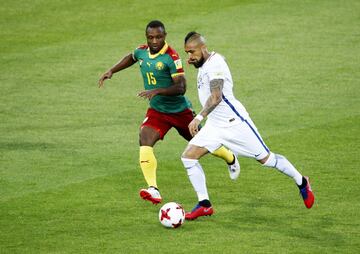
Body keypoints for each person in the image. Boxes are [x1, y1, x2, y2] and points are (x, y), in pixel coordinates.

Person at [98, 21, 240, 205]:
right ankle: (153, 189)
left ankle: (230, 157)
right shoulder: (142, 51)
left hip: (180, 111)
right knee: (145, 138)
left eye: (158, 37)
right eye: (150, 37)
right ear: (146, 37)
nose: (154, 41)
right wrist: (112, 70)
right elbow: (131, 57)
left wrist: (157, 90)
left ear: (165, 36)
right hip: (158, 111)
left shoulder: (171, 58)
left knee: (205, 143)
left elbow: (181, 87)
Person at [182, 32, 315, 220]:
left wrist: (199, 117)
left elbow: (216, 97)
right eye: (187, 53)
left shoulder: (215, 64)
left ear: (203, 47)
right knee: (188, 157)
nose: (189, 57)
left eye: (192, 52)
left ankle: (301, 181)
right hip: (215, 126)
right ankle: (204, 204)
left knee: (267, 160)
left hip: (235, 124)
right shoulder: (206, 63)